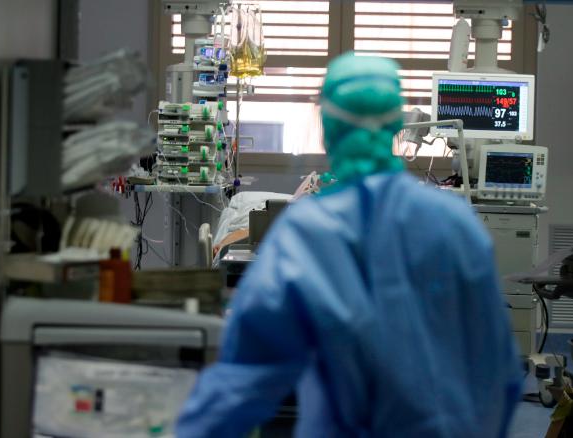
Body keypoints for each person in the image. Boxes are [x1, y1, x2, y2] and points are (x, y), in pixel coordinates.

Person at [177, 53, 522, 438]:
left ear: (328, 129)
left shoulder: (306, 234)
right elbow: (498, 373)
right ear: (395, 123)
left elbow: (246, 378)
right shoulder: (456, 225)